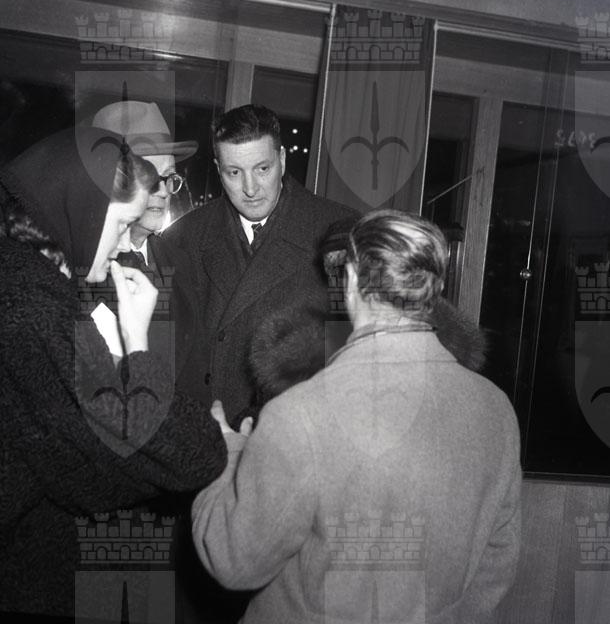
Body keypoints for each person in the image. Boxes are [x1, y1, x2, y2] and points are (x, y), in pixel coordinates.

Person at [192, 210, 522, 623]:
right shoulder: (495, 409)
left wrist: (233, 461)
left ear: (349, 280)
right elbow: (496, 565)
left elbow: (235, 561)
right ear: (433, 288)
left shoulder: (300, 414)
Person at [0, 126, 226, 620]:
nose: (125, 240)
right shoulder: (33, 309)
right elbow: (190, 455)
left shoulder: (30, 280)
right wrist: (138, 339)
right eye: (121, 223)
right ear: (86, 207)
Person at [162, 103, 357, 427]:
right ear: (218, 169)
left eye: (262, 169)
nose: (250, 189)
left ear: (282, 160)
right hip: (210, 430)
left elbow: (350, 355)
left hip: (299, 429)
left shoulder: (340, 234)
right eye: (234, 173)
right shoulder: (184, 238)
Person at [91, 100, 198, 276]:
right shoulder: (90, 265)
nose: (163, 192)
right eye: (150, 177)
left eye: (170, 176)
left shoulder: (181, 262)